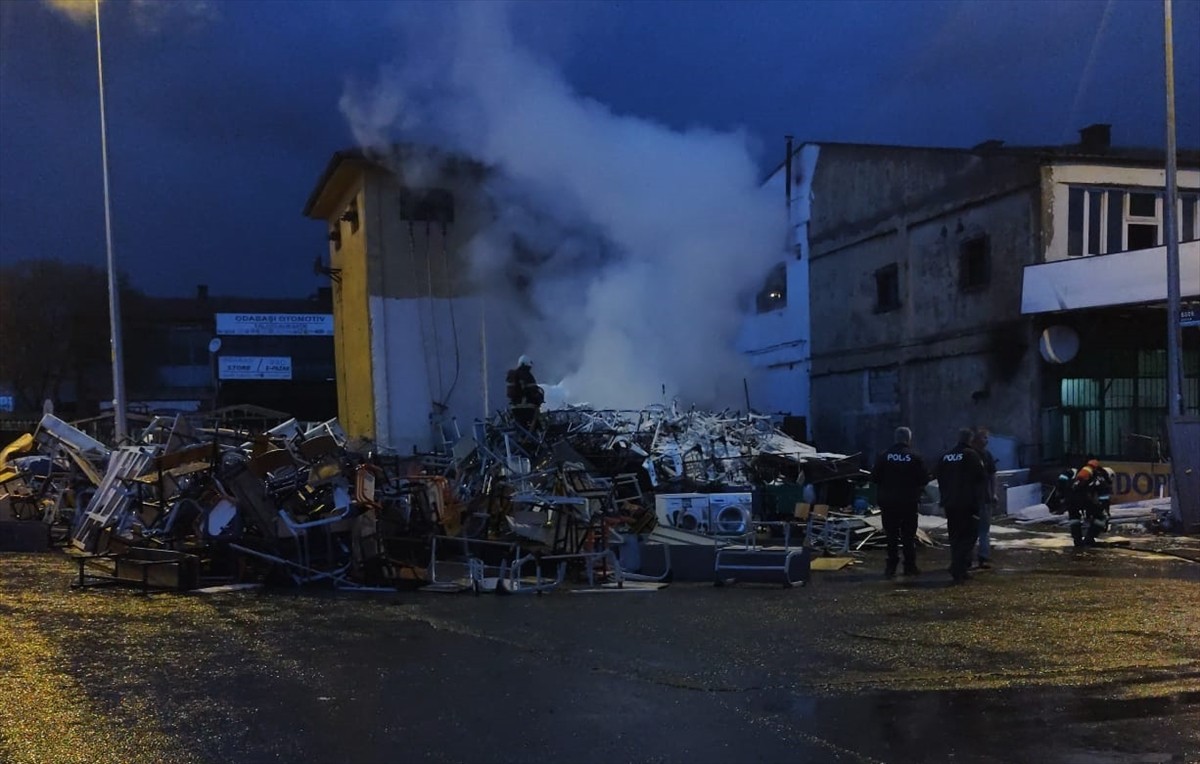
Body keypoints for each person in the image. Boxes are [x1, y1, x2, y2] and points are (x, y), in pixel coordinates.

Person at [871, 426, 932, 579]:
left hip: (888, 501)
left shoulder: (884, 456)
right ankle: (909, 566)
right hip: (908, 501)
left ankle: (891, 567)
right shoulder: (915, 456)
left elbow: (874, 478)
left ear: (895, 438)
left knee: (891, 535)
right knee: (908, 535)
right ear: (908, 439)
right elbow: (925, 479)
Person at [935, 427, 987, 584]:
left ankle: (960, 568)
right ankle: (958, 567)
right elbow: (981, 477)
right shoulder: (971, 455)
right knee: (969, 536)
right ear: (970, 439)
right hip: (967, 503)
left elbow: (938, 476)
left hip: (950, 503)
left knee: (955, 536)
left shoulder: (946, 456)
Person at [1048, 457, 1114, 548]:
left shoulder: (1075, 471)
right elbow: (1104, 500)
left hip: (1070, 499)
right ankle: (1089, 539)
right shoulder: (1101, 478)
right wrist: (1104, 513)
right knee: (1102, 517)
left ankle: (1077, 541)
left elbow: (1061, 478)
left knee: (1074, 518)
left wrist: (1062, 494)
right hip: (1084, 498)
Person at [972, 428, 998, 569]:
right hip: (974, 499)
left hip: (984, 498)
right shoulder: (972, 455)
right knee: (976, 530)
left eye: (987, 438)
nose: (986, 441)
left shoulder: (987, 455)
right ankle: (970, 558)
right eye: (984, 438)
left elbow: (993, 475)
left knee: (983, 530)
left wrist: (993, 493)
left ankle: (983, 556)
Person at [505, 354, 544, 431]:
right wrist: (539, 398)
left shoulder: (513, 376)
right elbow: (533, 391)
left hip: (514, 408)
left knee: (521, 427)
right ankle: (535, 440)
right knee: (537, 427)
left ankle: (522, 440)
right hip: (527, 407)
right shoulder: (526, 375)